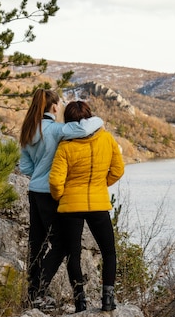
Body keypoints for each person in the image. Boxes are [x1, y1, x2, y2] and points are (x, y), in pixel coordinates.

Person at [19, 89, 104, 309]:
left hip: (34, 193)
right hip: (51, 194)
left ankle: (32, 293)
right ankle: (38, 292)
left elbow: (25, 167)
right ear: (55, 107)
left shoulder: (28, 130)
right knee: (61, 245)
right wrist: (99, 119)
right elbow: (86, 126)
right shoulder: (58, 130)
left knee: (36, 243)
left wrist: (40, 173)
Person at [49, 100, 125, 312]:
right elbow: (118, 170)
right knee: (109, 252)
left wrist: (61, 196)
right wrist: (100, 185)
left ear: (69, 120)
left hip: (70, 207)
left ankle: (80, 302)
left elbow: (55, 182)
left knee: (73, 255)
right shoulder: (107, 138)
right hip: (98, 204)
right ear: (89, 116)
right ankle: (108, 300)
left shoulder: (65, 145)